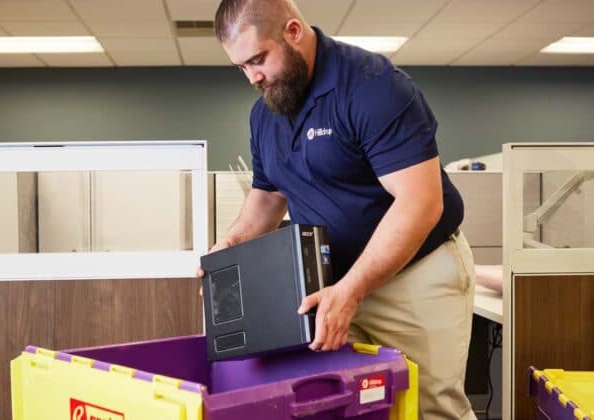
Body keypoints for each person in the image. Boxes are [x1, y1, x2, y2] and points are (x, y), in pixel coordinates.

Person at [201, 1, 477, 418]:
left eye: (258, 59)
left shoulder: (373, 87)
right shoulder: (266, 113)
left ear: (293, 31)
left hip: (415, 273)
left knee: (427, 408)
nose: (252, 77)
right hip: (332, 283)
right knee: (350, 407)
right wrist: (230, 245)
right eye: (241, 67)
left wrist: (352, 290)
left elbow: (421, 203)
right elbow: (269, 197)